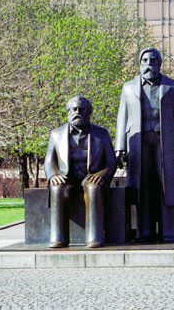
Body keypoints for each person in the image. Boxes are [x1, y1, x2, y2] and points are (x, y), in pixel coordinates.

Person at [115, 47, 174, 242]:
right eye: (145, 61)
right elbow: (122, 117)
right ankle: (144, 232)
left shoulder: (173, 86)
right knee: (142, 187)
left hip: (166, 142)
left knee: (167, 187)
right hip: (138, 144)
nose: (149, 65)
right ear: (140, 64)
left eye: (152, 61)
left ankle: (169, 231)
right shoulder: (128, 87)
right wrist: (120, 147)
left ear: (159, 64)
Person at [44, 96, 117, 248]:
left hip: (90, 175)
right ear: (68, 112)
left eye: (81, 109)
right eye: (74, 109)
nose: (77, 112)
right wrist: (53, 175)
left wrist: (101, 175)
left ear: (89, 112)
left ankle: (94, 237)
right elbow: (49, 161)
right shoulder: (56, 134)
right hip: (67, 177)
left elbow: (111, 162)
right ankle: (58, 237)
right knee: (57, 188)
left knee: (93, 187)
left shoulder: (101, 133)